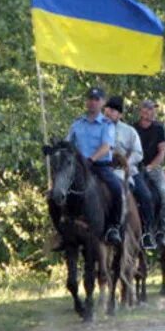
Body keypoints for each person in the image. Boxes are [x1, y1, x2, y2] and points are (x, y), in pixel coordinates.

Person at [65, 87, 123, 245]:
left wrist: (90, 160)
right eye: (90, 99)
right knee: (58, 190)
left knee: (117, 189)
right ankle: (62, 227)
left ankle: (113, 227)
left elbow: (106, 146)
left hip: (99, 166)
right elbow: (68, 145)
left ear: (102, 103)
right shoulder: (77, 123)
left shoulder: (107, 124)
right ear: (86, 101)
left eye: (97, 100)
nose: (93, 102)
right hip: (78, 169)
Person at [104, 96, 156, 250]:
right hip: (101, 168)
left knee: (146, 196)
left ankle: (147, 233)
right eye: (107, 108)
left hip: (126, 170)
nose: (108, 112)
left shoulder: (129, 131)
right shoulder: (96, 127)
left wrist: (125, 161)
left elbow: (138, 153)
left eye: (113, 110)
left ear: (120, 114)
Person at [132, 99, 165, 248]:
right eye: (148, 109)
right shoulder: (133, 128)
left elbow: (162, 152)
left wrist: (150, 166)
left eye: (152, 109)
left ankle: (162, 230)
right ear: (141, 111)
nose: (151, 112)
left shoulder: (159, 129)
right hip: (135, 167)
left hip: (153, 168)